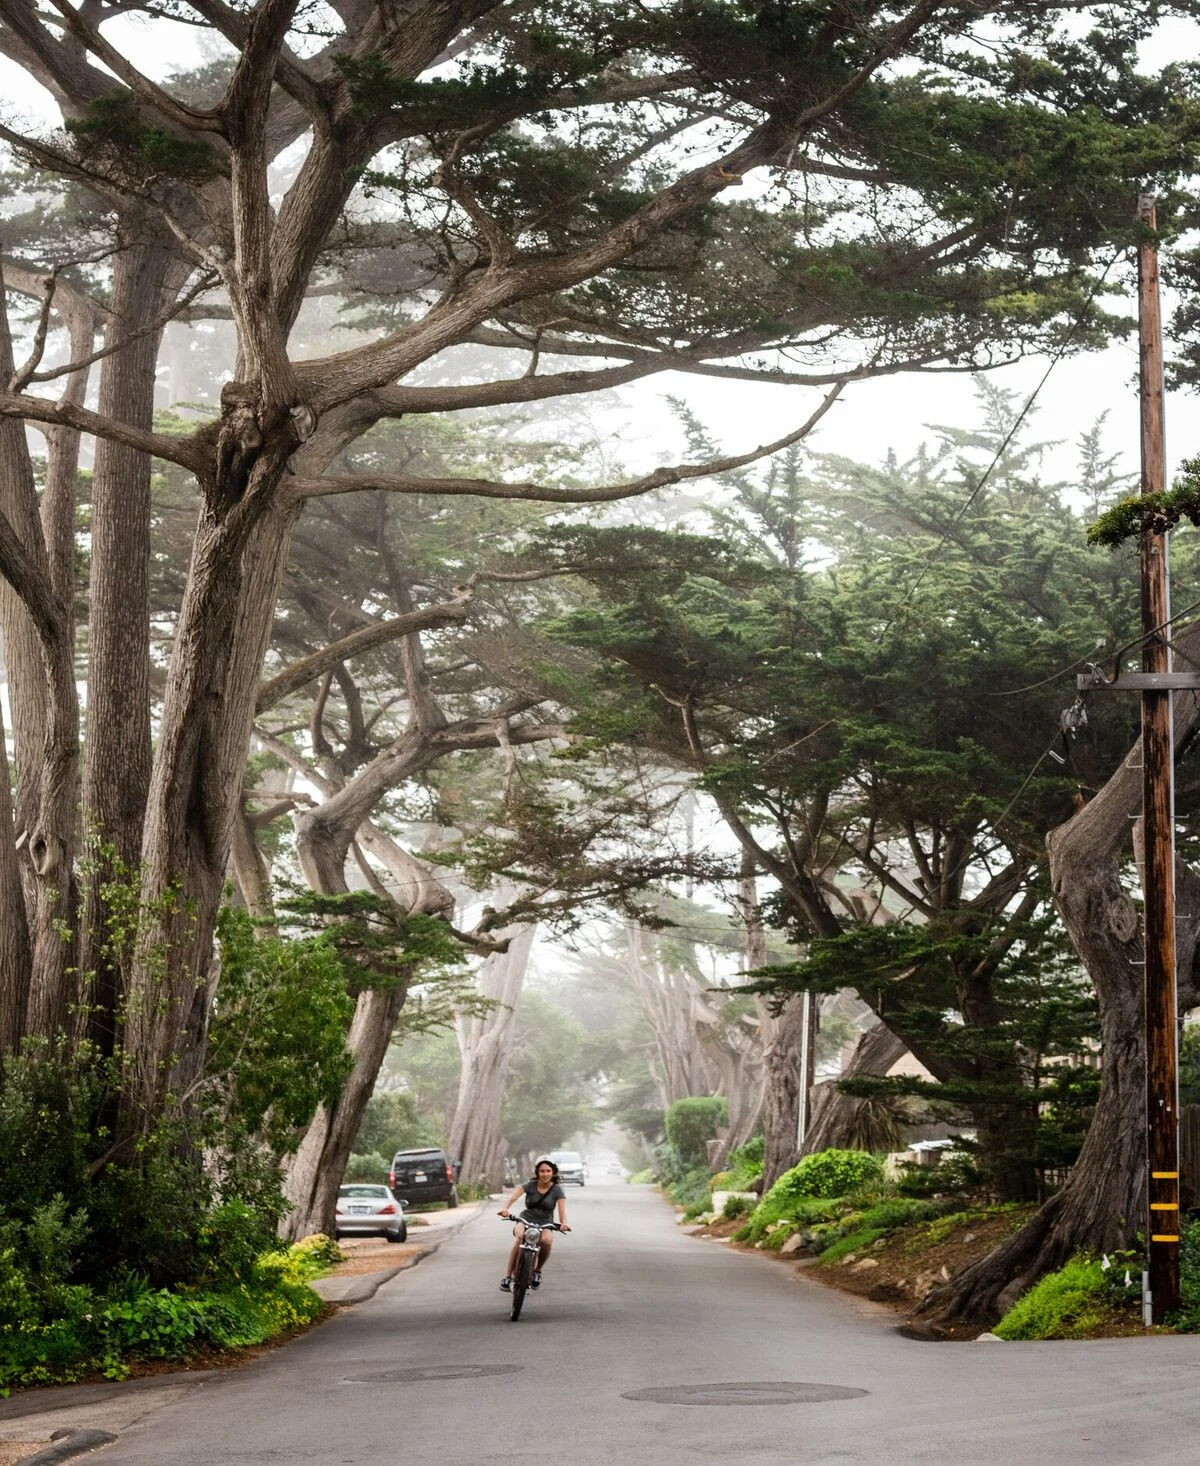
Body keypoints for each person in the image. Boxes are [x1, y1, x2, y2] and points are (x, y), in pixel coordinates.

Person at [498, 1158, 572, 1291]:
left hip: (545, 1222)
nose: (545, 1174)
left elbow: (562, 1213)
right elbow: (512, 1198)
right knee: (520, 1237)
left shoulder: (557, 1190)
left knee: (546, 1241)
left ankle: (537, 1271)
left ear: (553, 1173)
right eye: (542, 1171)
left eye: (548, 1171)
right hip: (526, 1219)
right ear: (537, 1173)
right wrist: (505, 1209)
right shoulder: (530, 1185)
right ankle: (508, 1277)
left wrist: (564, 1223)